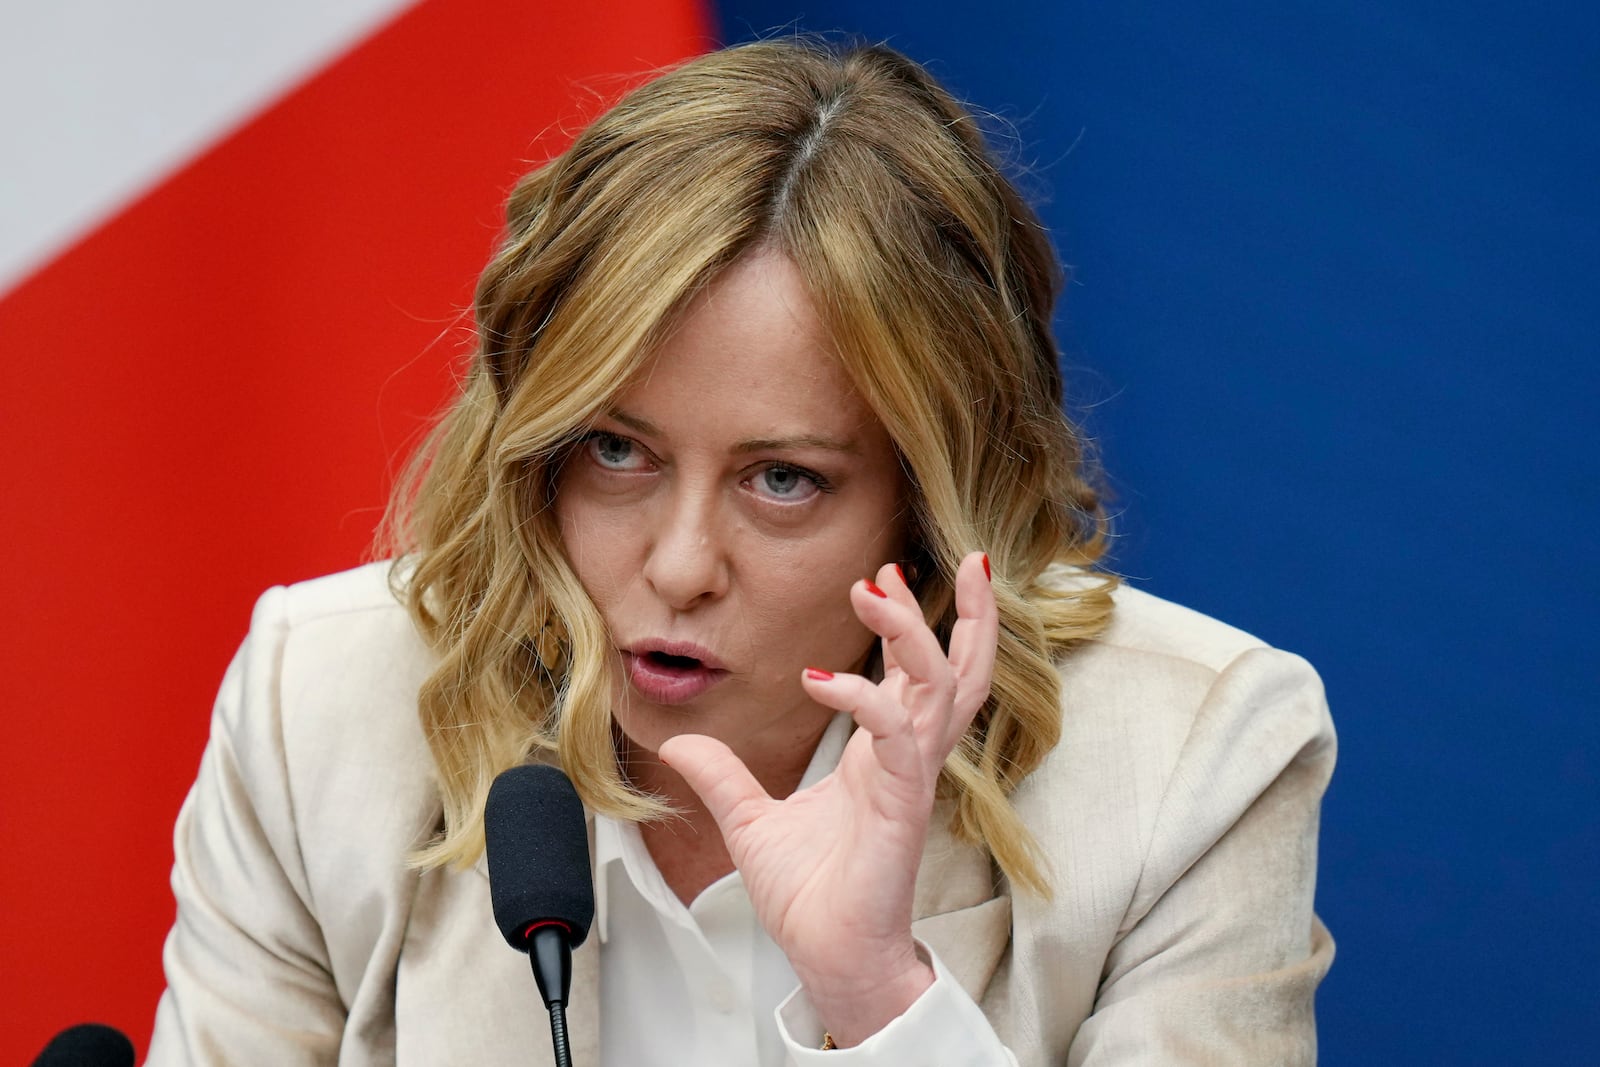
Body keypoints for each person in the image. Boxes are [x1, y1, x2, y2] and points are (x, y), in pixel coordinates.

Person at [147, 37, 1334, 1066]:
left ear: (930, 507)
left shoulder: (1191, 763)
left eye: (782, 481)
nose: (676, 566)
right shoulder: (323, 709)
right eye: (616, 451)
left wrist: (879, 999)